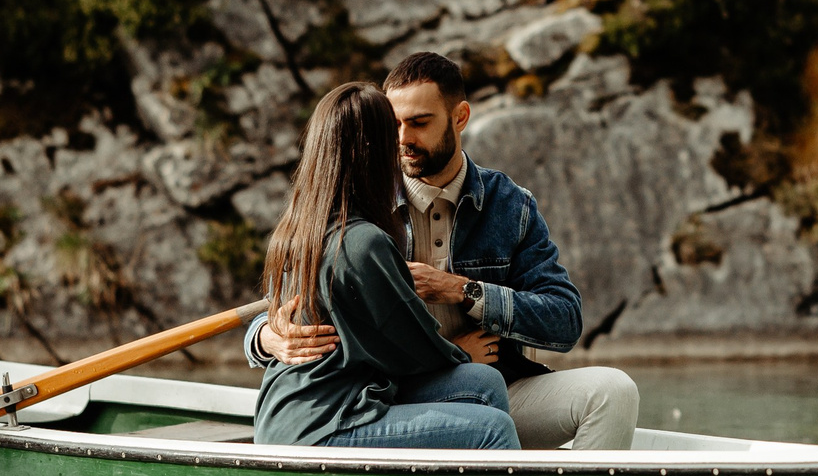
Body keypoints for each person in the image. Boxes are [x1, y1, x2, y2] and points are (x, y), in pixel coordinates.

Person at [252, 52, 639, 450]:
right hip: (392, 389)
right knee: (486, 417)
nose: (403, 139)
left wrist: (464, 290)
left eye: (419, 123)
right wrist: (268, 338)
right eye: (394, 126)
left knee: (613, 391)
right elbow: (285, 305)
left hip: (479, 381)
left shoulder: (509, 205)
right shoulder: (359, 208)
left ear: (460, 117)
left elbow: (564, 320)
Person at [252, 81, 519, 450]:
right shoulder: (363, 243)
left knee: (483, 384)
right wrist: (462, 352)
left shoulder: (300, 229)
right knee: (492, 429)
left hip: (304, 407)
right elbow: (409, 346)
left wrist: (263, 332)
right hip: (323, 424)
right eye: (390, 133)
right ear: (372, 152)